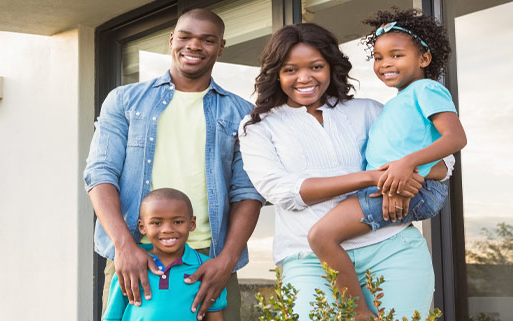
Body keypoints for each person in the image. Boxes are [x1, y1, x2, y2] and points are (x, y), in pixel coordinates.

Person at [238, 22, 454, 319]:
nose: (304, 78)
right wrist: (372, 177)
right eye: (290, 70)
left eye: (316, 66)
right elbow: (282, 191)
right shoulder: (259, 127)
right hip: (308, 259)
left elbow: (445, 163)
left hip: (392, 249)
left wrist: (401, 179)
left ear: (331, 67)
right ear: (276, 73)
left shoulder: (368, 110)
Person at [84, 8, 264, 320]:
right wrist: (124, 247)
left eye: (207, 40)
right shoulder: (125, 101)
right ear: (171, 40)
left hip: (209, 259)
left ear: (221, 47)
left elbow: (248, 192)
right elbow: (100, 174)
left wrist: (227, 259)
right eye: (185, 36)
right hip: (135, 252)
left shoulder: (241, 113)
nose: (194, 45)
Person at [305, 9, 466, 319]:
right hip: (400, 186)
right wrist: (396, 178)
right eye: (378, 57)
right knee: (323, 235)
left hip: (420, 189)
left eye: (396, 55)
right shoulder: (395, 103)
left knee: (321, 236)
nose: (385, 63)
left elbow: (455, 138)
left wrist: (406, 168)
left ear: (424, 59)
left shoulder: (428, 90)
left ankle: (359, 313)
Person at [103, 188, 226, 321]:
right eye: (156, 223)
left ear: (192, 223)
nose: (167, 230)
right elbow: (112, 317)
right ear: (142, 226)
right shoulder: (132, 267)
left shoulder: (205, 268)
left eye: (178, 222)